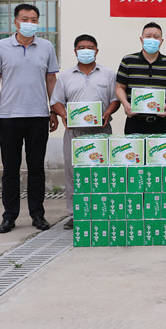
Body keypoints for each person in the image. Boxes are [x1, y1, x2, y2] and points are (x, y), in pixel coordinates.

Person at [0, 3, 59, 233]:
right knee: (10, 169)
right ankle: (9, 216)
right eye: (25, 19)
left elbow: (51, 81)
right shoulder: (0, 47)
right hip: (9, 117)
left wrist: (54, 110)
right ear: (15, 22)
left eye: (34, 20)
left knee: (36, 169)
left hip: (38, 116)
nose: (30, 23)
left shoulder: (46, 47)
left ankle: (37, 214)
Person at [50, 34, 119, 229]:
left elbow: (115, 99)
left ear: (97, 51)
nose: (86, 51)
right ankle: (76, 213)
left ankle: (102, 211)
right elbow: (56, 101)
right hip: (75, 132)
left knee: (102, 172)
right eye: (81, 48)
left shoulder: (108, 74)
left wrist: (108, 112)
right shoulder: (65, 76)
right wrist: (64, 114)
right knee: (73, 173)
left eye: (90, 47)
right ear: (75, 51)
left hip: (101, 131)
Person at [115, 22, 166, 134]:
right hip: (134, 121)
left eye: (156, 37)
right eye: (148, 36)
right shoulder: (128, 60)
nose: (152, 40)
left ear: (161, 41)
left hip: (161, 121)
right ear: (141, 40)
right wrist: (125, 104)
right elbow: (119, 87)